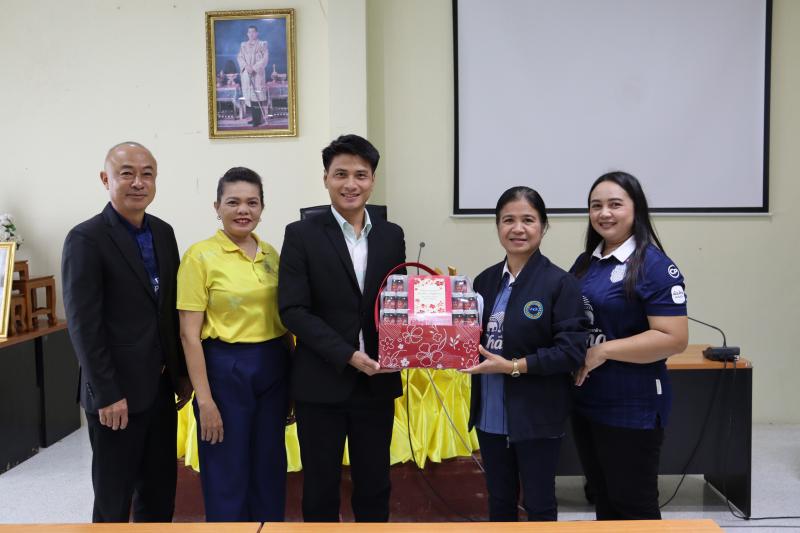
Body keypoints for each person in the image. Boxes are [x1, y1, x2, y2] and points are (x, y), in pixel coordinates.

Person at [278, 134, 406, 522]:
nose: (351, 184)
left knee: (375, 486)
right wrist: (347, 354)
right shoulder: (300, 234)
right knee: (320, 489)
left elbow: (396, 305)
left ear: (372, 181)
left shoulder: (391, 235)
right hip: (322, 381)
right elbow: (293, 310)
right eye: (341, 174)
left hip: (377, 381)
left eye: (360, 175)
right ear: (326, 179)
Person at [62, 141, 191, 522]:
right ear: (106, 179)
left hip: (160, 390)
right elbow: (84, 325)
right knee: (114, 501)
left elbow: (168, 310)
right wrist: (107, 393)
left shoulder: (163, 233)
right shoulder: (86, 239)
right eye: (127, 174)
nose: (138, 182)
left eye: (147, 174)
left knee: (159, 494)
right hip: (115, 396)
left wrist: (181, 374)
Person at [463, 186, 588, 521]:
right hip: (489, 413)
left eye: (528, 220)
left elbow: (571, 351)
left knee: (539, 503)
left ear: (543, 227)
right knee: (499, 501)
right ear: (497, 226)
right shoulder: (484, 281)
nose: (517, 228)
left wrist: (513, 366)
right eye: (508, 220)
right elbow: (469, 338)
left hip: (537, 414)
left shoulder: (560, 283)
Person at [570, 171, 689, 520]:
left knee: (634, 505)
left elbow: (674, 338)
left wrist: (604, 350)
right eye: (596, 206)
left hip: (632, 405)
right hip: (587, 401)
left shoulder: (654, 265)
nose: (604, 213)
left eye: (615, 204)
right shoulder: (586, 262)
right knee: (603, 500)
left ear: (636, 209)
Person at [176, 167, 290, 522]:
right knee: (227, 468)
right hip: (225, 370)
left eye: (252, 202)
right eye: (233, 202)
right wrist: (205, 400)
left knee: (270, 465)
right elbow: (188, 334)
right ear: (217, 207)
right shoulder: (199, 256)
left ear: (262, 208)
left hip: (274, 367)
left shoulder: (271, 254)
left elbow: (285, 319)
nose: (244, 210)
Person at [237, 25, 269, 127]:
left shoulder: (262, 44)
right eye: (249, 32)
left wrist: (254, 68)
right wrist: (246, 67)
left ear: (257, 33)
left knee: (257, 96)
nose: (251, 34)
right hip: (247, 73)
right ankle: (254, 118)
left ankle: (258, 120)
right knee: (250, 97)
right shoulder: (243, 45)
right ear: (247, 34)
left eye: (253, 32)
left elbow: (264, 59)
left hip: (257, 74)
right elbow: (240, 57)